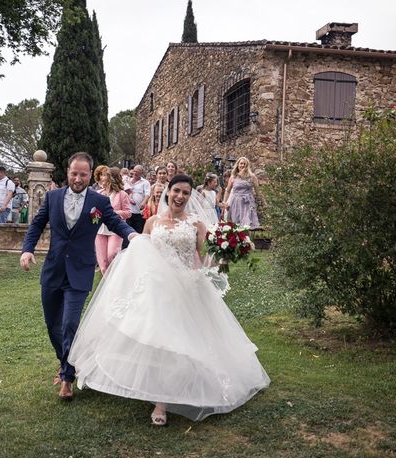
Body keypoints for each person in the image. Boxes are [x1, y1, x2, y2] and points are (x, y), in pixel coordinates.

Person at [69, 175, 270, 426]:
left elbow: (204, 259)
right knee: (157, 340)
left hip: (186, 286)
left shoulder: (197, 224)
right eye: (177, 191)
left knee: (182, 341)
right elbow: (141, 254)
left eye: (186, 193)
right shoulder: (152, 222)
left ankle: (176, 393)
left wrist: (228, 254)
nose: (180, 197)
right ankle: (159, 401)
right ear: (168, 192)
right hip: (156, 288)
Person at [20, 152, 137, 400]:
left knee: (70, 323)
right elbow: (36, 225)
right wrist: (27, 250)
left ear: (90, 175)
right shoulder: (52, 197)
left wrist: (131, 235)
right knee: (53, 326)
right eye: (74, 173)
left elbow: (116, 223)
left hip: (80, 271)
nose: (78, 178)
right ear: (68, 172)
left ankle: (67, 377)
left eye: (83, 174)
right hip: (53, 270)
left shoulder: (99, 201)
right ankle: (65, 362)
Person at [95, 167, 132, 275]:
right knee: (103, 264)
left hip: (115, 230)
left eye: (105, 175)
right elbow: (93, 212)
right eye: (101, 175)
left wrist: (112, 213)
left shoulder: (122, 194)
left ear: (111, 178)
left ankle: (117, 279)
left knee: (112, 255)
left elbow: (128, 213)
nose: (102, 178)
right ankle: (108, 288)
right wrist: (94, 216)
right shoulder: (99, 193)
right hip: (100, 230)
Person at [223, 157, 261, 228]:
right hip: (235, 202)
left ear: (247, 166)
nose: (242, 165)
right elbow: (228, 191)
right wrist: (225, 202)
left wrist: (263, 202)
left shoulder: (252, 177)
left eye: (244, 164)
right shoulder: (233, 177)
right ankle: (236, 239)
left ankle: (247, 239)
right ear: (237, 165)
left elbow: (258, 191)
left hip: (247, 203)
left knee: (247, 224)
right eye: (241, 163)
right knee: (235, 224)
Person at [123, 164, 150, 247]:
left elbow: (147, 193)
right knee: (127, 233)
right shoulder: (128, 181)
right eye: (134, 171)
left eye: (137, 172)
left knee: (138, 233)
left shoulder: (145, 182)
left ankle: (136, 249)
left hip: (139, 212)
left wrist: (144, 202)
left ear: (141, 173)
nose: (135, 173)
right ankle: (125, 250)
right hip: (129, 211)